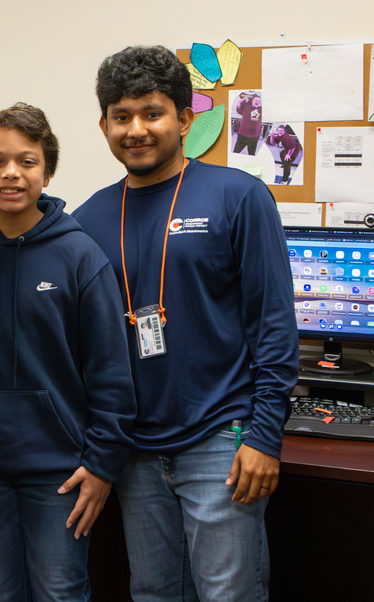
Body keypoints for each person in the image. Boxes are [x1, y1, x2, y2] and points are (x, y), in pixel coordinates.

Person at [72, 45, 298, 601]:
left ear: (184, 118)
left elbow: (273, 324)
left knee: (228, 593)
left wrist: (265, 436)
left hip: (222, 439)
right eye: (121, 117)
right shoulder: (89, 217)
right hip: (136, 450)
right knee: (153, 591)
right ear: (103, 125)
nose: (137, 130)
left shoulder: (238, 196)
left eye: (153, 113)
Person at [0, 104, 136, 602]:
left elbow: (111, 370)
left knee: (59, 591)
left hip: (61, 470)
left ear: (46, 171)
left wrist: (102, 465)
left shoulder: (80, 254)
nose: (11, 173)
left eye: (27, 162)